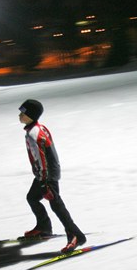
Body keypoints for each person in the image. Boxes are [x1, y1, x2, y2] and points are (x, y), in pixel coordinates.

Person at [18, 99, 86, 253]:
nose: (20, 115)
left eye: (23, 113)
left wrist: (44, 182)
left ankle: (76, 235)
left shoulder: (33, 134)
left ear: (31, 115)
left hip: (47, 174)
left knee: (56, 204)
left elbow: (41, 158)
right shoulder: (38, 128)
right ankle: (44, 227)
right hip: (45, 172)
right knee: (32, 197)